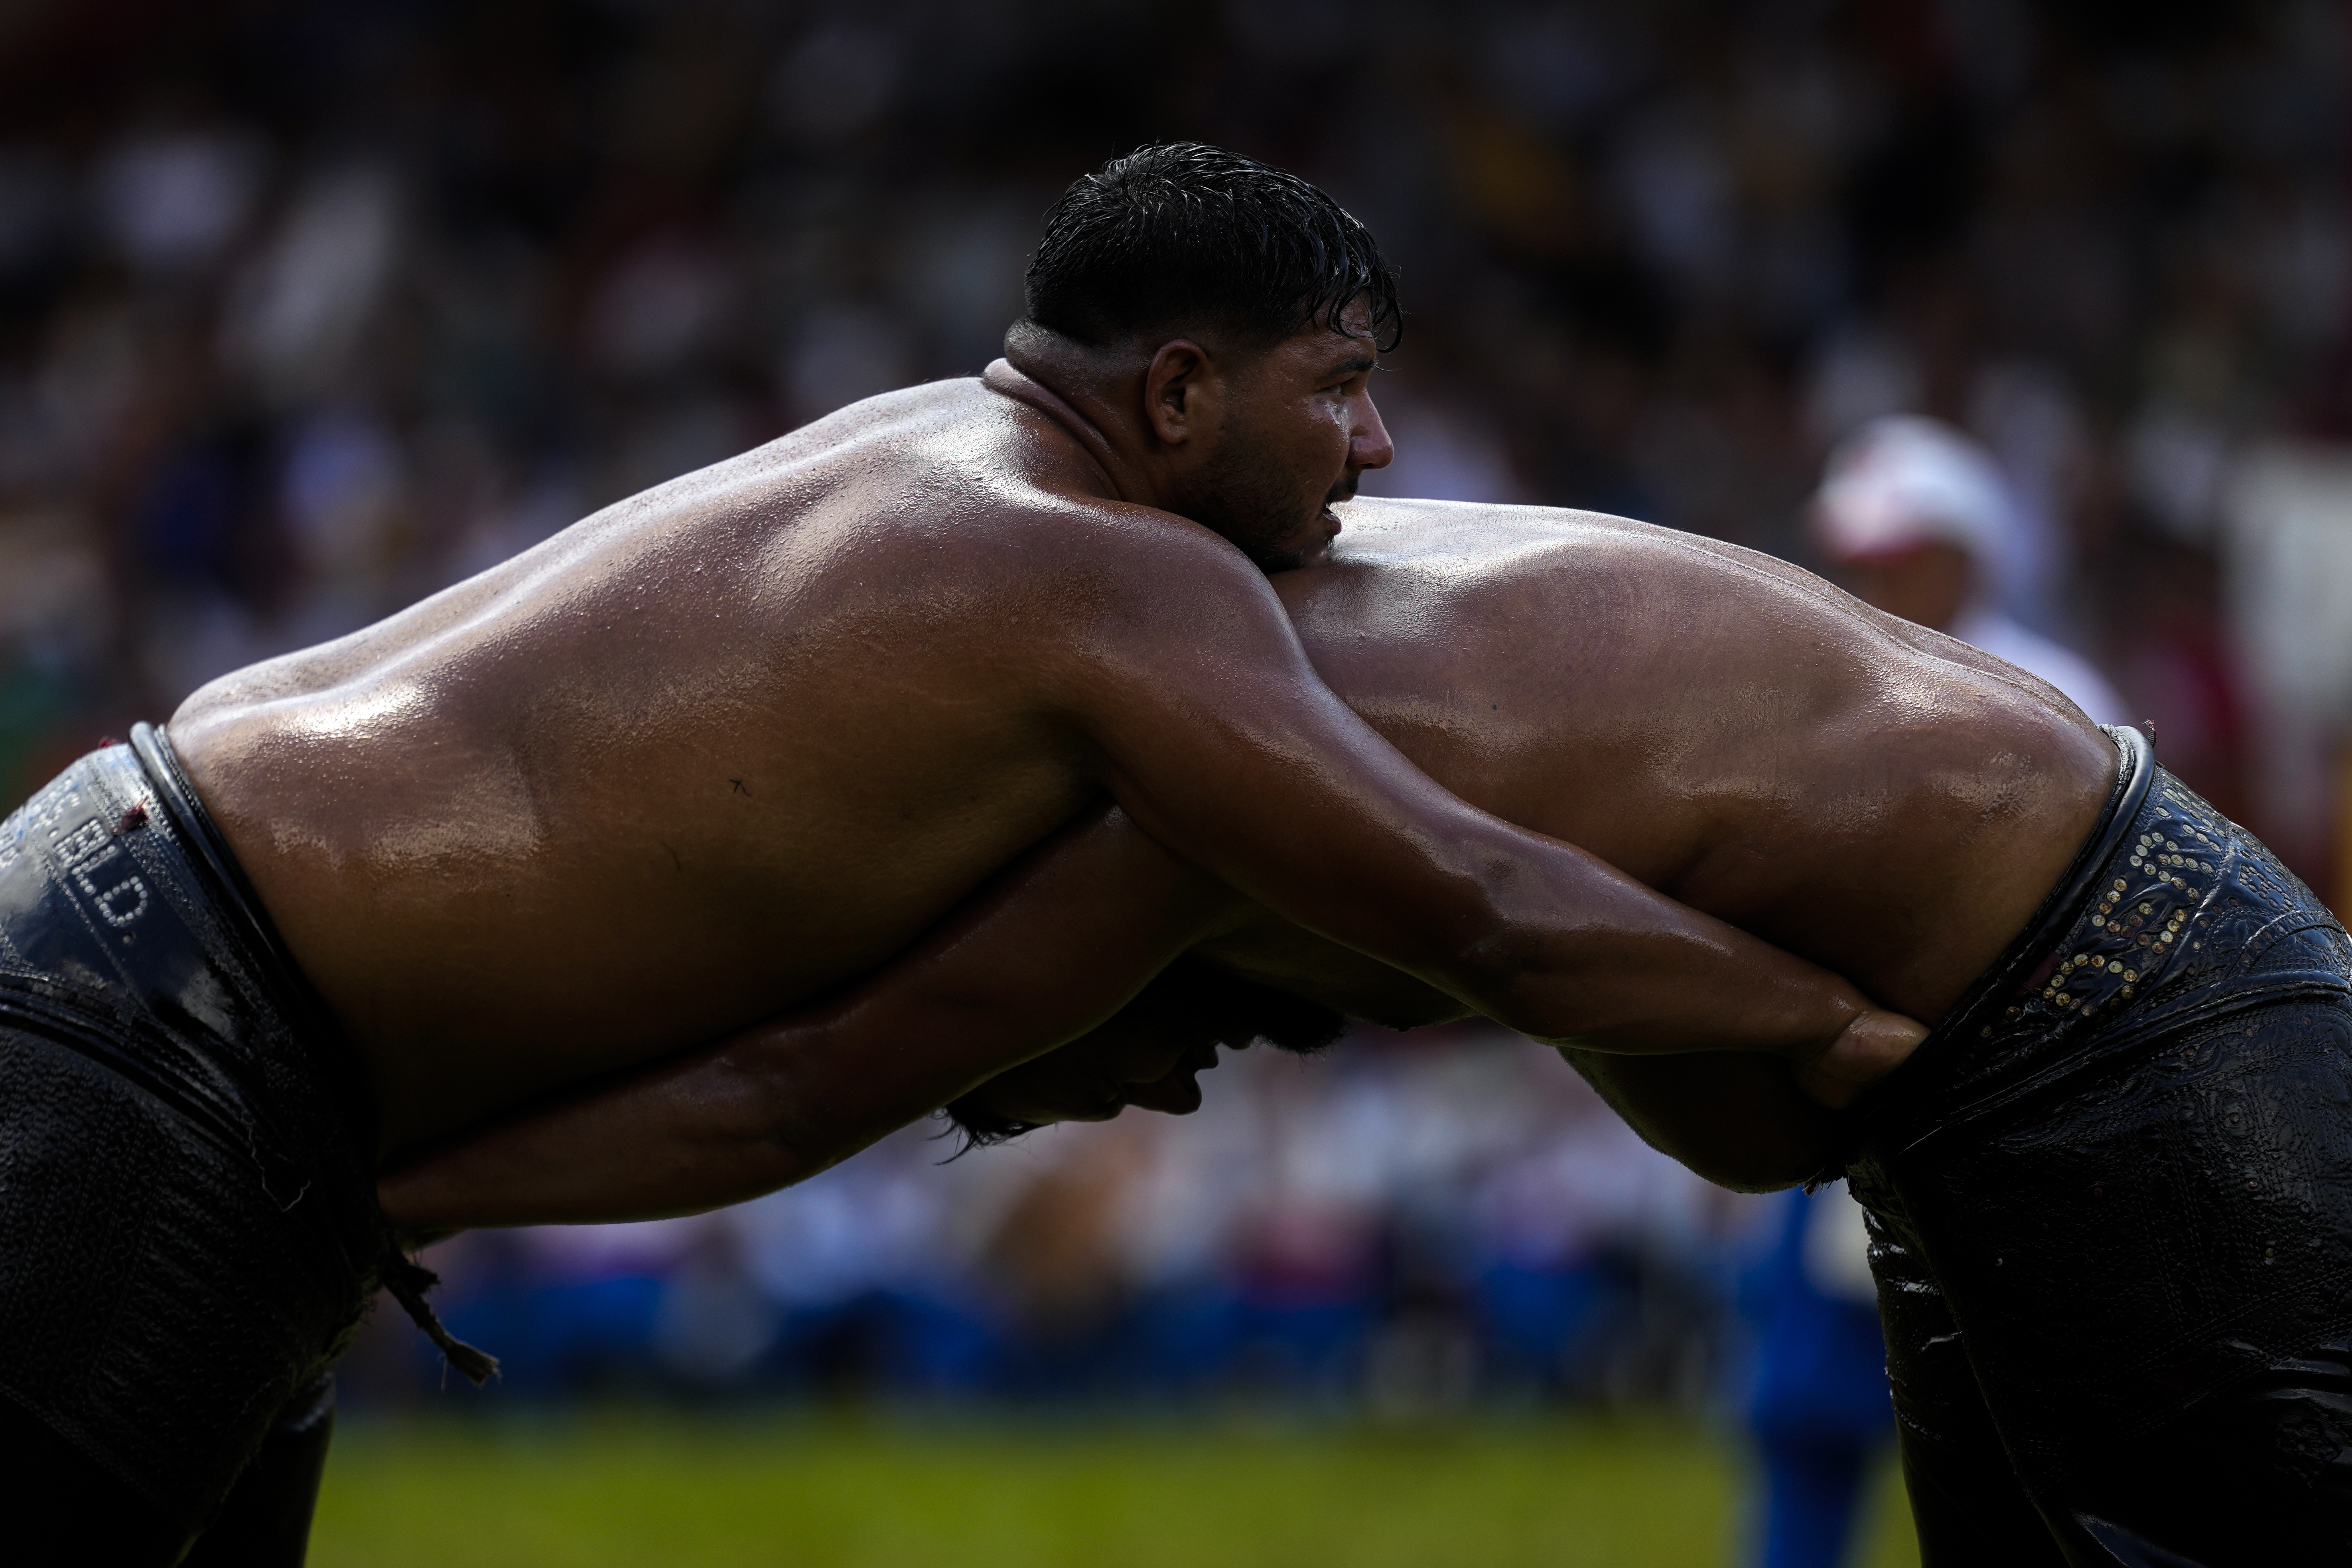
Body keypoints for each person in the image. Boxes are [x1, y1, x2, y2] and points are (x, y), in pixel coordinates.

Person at [0, 146, 1915, 1565]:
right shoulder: (1108, 574)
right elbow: (1471, 897)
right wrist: (1838, 1020)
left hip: (169, 977)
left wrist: (387, 1197)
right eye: (1332, 384)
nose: (1380, 441)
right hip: (169, 1025)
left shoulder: (930, 445)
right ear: (1176, 396)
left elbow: (778, 1095)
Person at [395, 498, 2352, 1564]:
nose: (1119, 1096)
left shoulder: (1179, 809)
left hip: (2097, 997)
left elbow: (783, 1085)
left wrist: (1826, 1021)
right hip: (2005, 1045)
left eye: (1027, 1086)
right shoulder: (1196, 738)